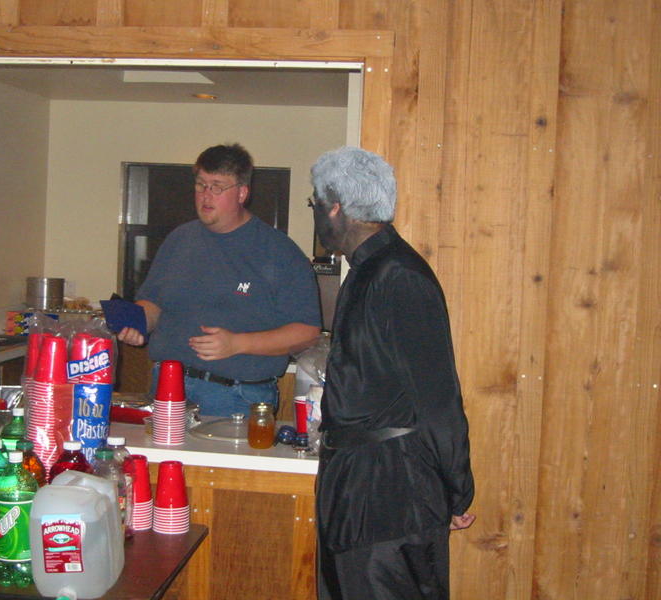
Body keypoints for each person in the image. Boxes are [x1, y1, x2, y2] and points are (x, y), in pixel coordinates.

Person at [310, 147, 475, 599]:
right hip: (360, 491)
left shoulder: (398, 276)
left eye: (315, 204)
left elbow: (438, 399)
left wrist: (456, 490)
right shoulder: (369, 271)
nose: (316, 215)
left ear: (335, 207)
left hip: (390, 499)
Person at [118, 143, 321, 417]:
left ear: (242, 193)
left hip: (236, 396)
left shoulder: (278, 251)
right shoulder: (179, 240)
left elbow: (307, 332)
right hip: (166, 385)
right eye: (201, 185)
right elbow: (154, 302)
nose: (206, 195)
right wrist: (138, 322)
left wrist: (238, 344)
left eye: (217, 187)